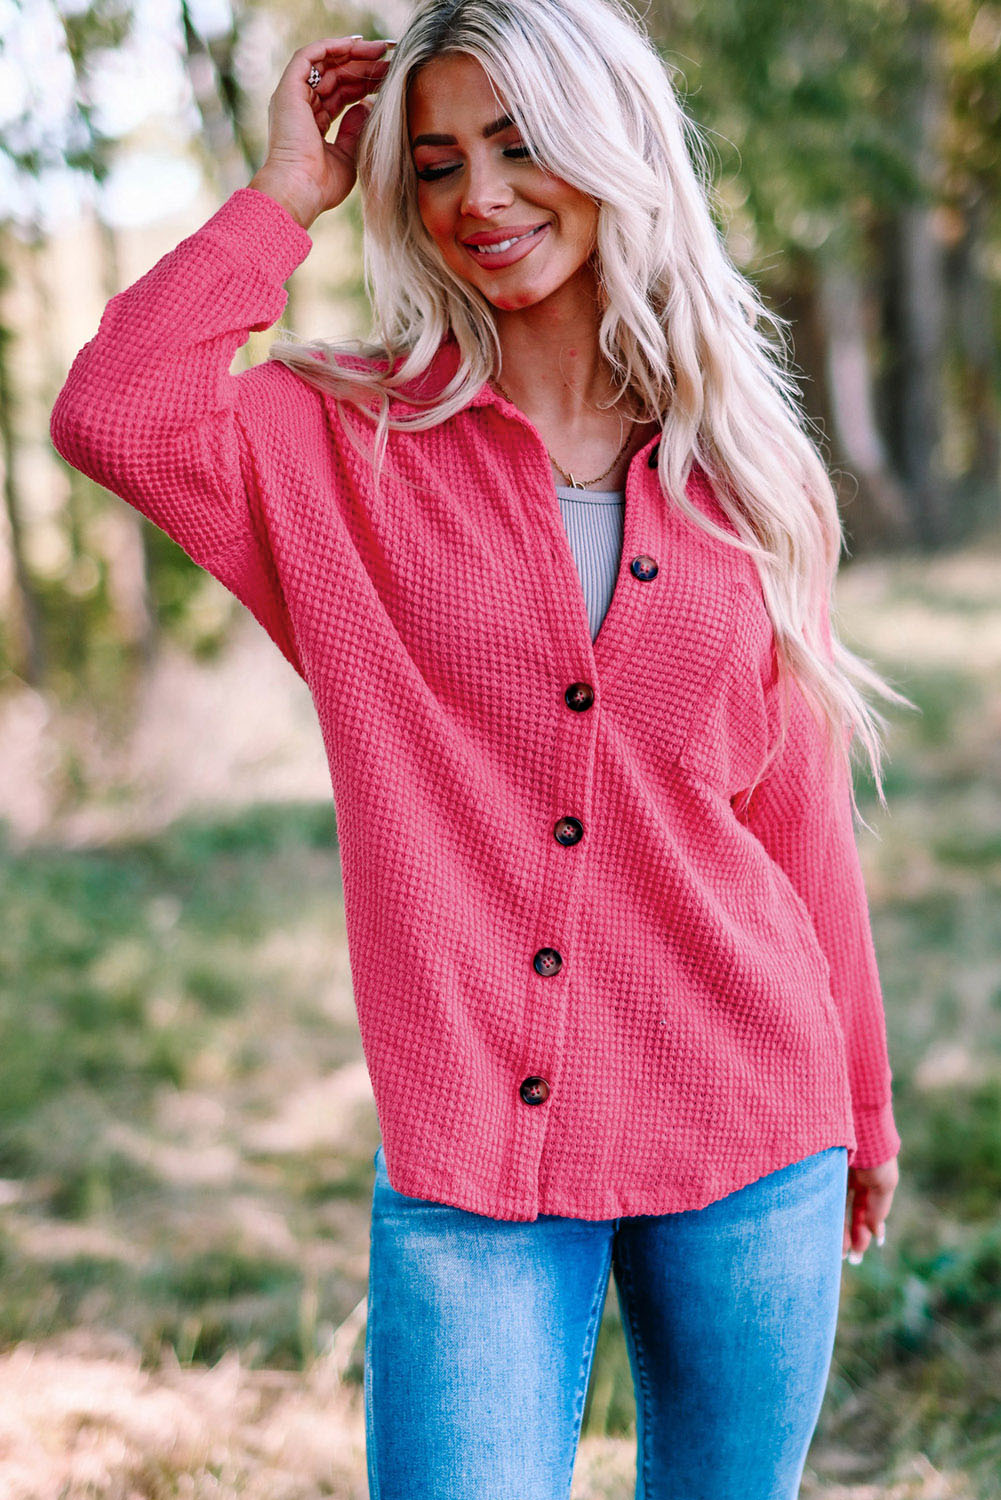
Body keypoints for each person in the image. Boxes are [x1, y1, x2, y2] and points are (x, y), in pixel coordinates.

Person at [50, 2, 907, 1495]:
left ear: (610, 152)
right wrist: (279, 200)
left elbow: (795, 820)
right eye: (437, 163)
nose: (480, 199)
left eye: (520, 147)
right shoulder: (340, 444)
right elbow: (115, 411)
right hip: (471, 1155)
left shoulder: (749, 477)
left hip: (753, 1124)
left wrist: (864, 1105)